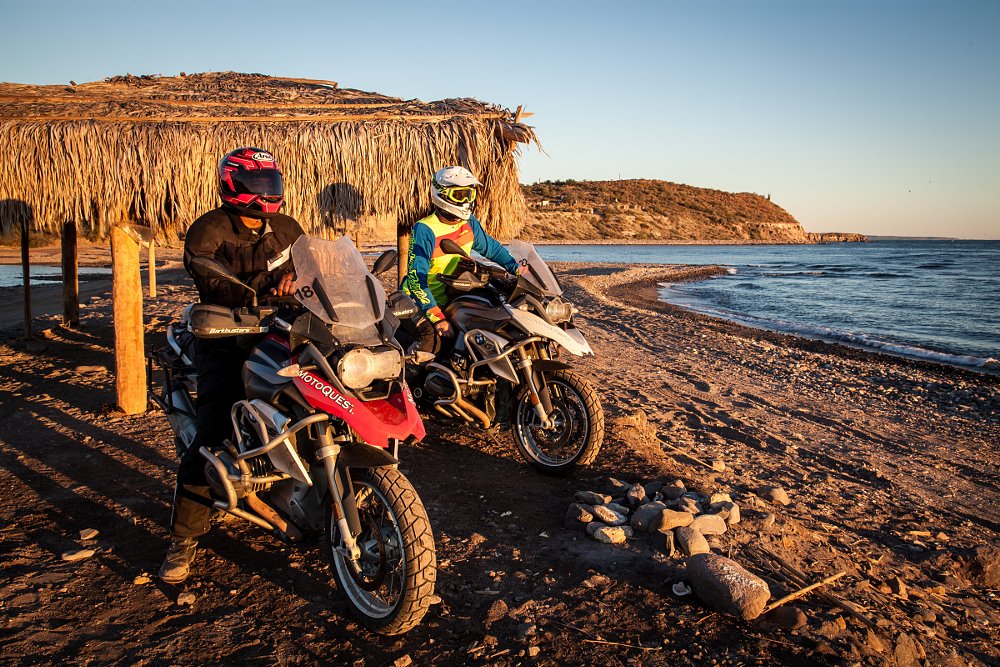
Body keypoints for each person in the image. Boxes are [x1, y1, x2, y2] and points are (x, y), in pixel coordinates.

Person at [159, 147, 305, 584]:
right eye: (257, 186)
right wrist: (262, 287)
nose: (266, 194)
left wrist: (302, 278)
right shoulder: (209, 229)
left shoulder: (287, 227)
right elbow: (206, 274)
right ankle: (183, 539)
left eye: (270, 185)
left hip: (281, 331)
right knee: (213, 430)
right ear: (232, 185)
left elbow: (314, 264)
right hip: (225, 334)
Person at [401, 166, 520, 348]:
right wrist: (436, 315)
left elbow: (493, 250)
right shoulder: (425, 229)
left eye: (469, 194)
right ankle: (409, 374)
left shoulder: (469, 222)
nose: (466, 201)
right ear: (441, 194)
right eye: (459, 195)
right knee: (431, 340)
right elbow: (417, 279)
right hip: (417, 301)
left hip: (451, 296)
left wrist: (520, 269)